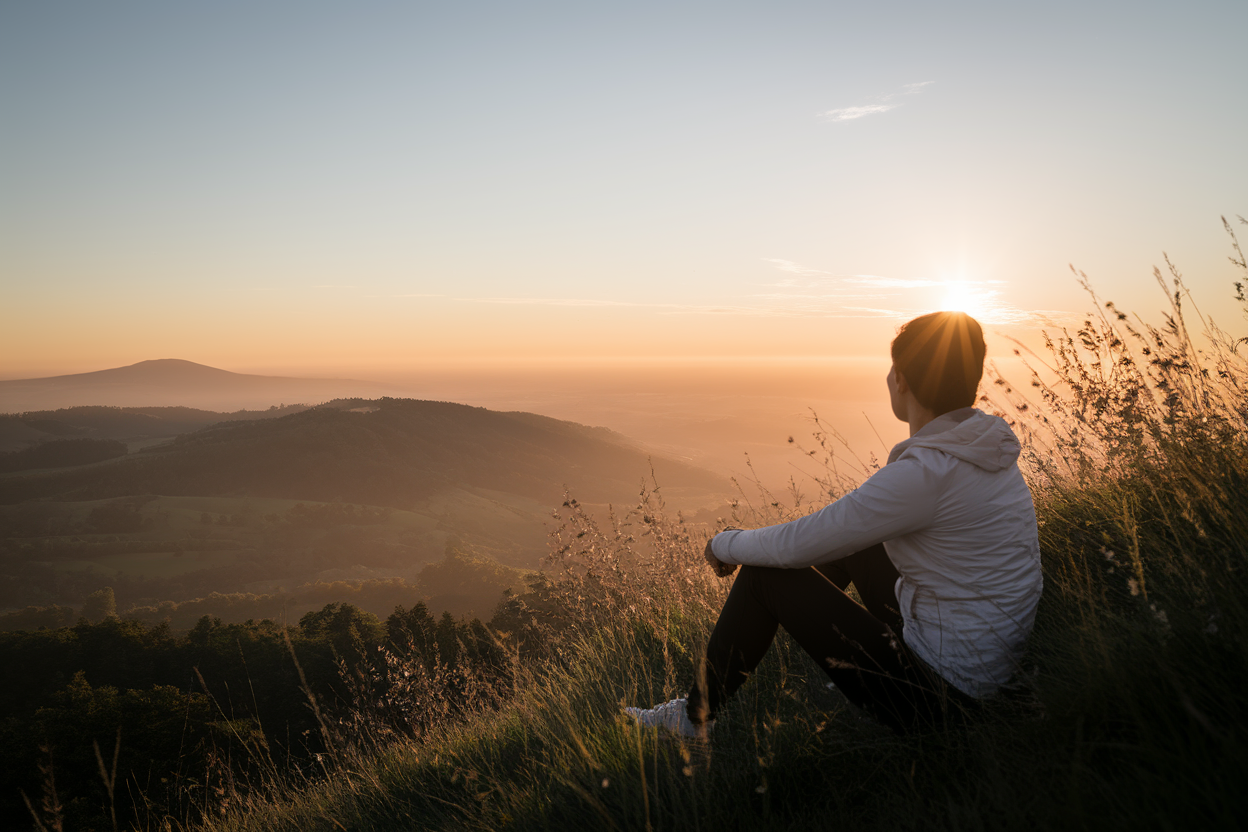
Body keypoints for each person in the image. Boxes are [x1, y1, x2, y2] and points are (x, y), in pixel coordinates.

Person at [624, 311, 1042, 735]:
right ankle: (792, 635)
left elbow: (796, 546)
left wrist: (723, 543)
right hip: (984, 666)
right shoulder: (983, 447)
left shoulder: (925, 474)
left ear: (901, 381)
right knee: (853, 544)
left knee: (764, 577)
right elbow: (835, 536)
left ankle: (692, 719)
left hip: (945, 700)